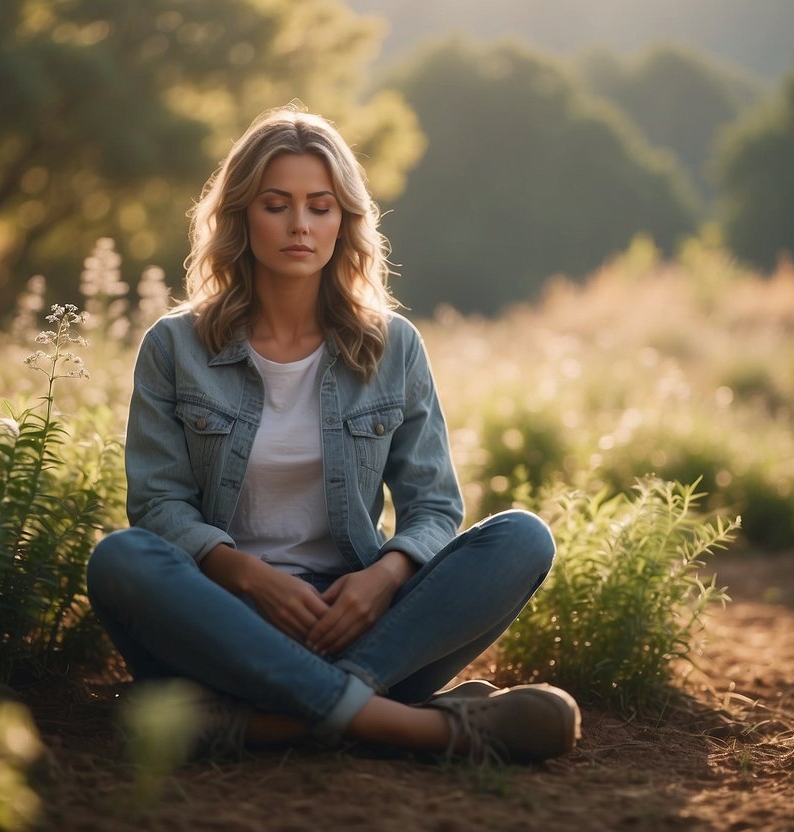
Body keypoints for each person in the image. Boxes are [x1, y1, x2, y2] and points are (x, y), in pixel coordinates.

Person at [86, 106, 580, 765]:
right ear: (240, 215)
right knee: (121, 558)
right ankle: (416, 728)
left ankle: (259, 721)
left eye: (320, 207)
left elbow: (433, 507)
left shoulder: (391, 345)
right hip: (221, 621)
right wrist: (249, 580)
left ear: (344, 220)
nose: (299, 226)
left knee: (522, 538)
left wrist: (382, 578)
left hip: (358, 624)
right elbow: (156, 505)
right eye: (275, 204)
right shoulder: (175, 345)